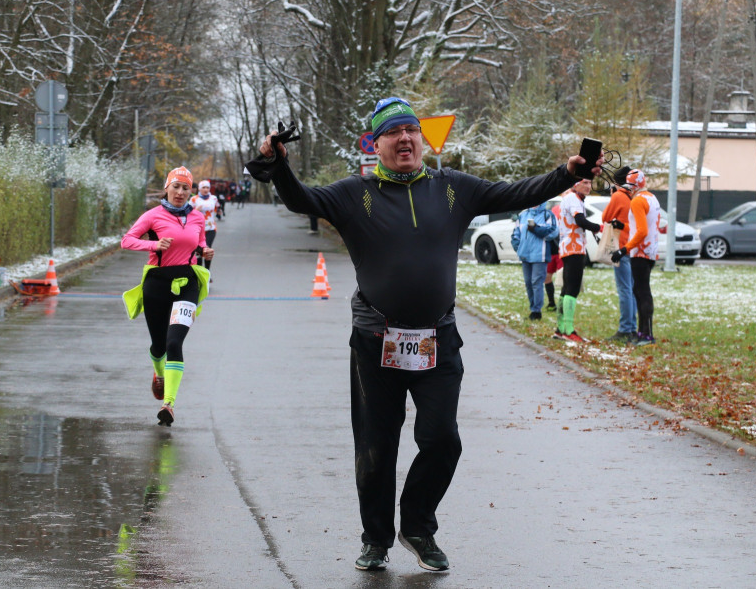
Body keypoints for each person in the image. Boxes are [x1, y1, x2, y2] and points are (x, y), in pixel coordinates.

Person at [246, 97, 601, 573]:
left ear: (422, 138)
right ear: (376, 144)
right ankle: (376, 539)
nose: (405, 139)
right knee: (376, 448)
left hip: (437, 340)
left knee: (442, 441)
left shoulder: (453, 188)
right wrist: (279, 165)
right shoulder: (356, 194)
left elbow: (515, 193)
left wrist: (565, 173)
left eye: (411, 130)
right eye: (393, 133)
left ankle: (416, 525)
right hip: (376, 342)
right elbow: (301, 200)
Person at [121, 166, 211, 427]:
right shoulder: (153, 216)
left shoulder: (197, 217)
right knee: (159, 345)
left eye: (186, 188)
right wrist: (153, 244)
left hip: (187, 284)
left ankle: (168, 404)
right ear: (167, 188)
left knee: (174, 343)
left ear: (191, 191)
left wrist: (204, 251)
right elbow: (127, 240)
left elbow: (199, 243)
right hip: (157, 284)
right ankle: (159, 374)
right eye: (176, 187)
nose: (180, 192)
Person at [610, 169, 660, 346]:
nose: (628, 189)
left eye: (629, 185)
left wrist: (624, 250)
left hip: (640, 252)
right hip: (650, 250)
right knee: (642, 291)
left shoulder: (637, 201)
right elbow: (646, 226)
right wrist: (623, 226)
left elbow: (642, 231)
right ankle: (644, 333)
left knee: (641, 292)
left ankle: (646, 335)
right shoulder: (651, 198)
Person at [553, 178, 601, 343]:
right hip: (574, 248)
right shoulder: (573, 198)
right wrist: (599, 227)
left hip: (569, 247)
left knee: (566, 288)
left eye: (589, 183)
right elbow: (580, 221)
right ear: (575, 184)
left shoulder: (571, 198)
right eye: (585, 183)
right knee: (572, 289)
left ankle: (560, 329)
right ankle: (568, 330)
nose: (588, 186)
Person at [600, 166, 636, 342]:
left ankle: (625, 328)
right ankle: (633, 327)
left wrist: (613, 196)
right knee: (632, 289)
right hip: (634, 247)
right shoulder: (635, 196)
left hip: (620, 247)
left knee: (624, 289)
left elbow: (606, 217)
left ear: (617, 182)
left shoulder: (619, 196)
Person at [515, 202, 559, 320]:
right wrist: (518, 247)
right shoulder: (523, 215)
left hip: (540, 255)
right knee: (528, 283)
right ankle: (532, 309)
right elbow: (516, 233)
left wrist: (536, 229)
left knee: (536, 282)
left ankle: (536, 311)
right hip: (525, 255)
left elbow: (553, 232)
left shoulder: (547, 215)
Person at [191, 180, 219, 270]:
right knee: (199, 251)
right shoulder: (194, 199)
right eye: (203, 187)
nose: (206, 189)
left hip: (211, 228)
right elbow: (188, 214)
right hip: (198, 229)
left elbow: (217, 207)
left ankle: (207, 271)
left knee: (207, 249)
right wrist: (196, 211)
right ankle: (200, 272)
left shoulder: (214, 198)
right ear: (199, 189)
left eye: (207, 187)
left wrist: (219, 211)